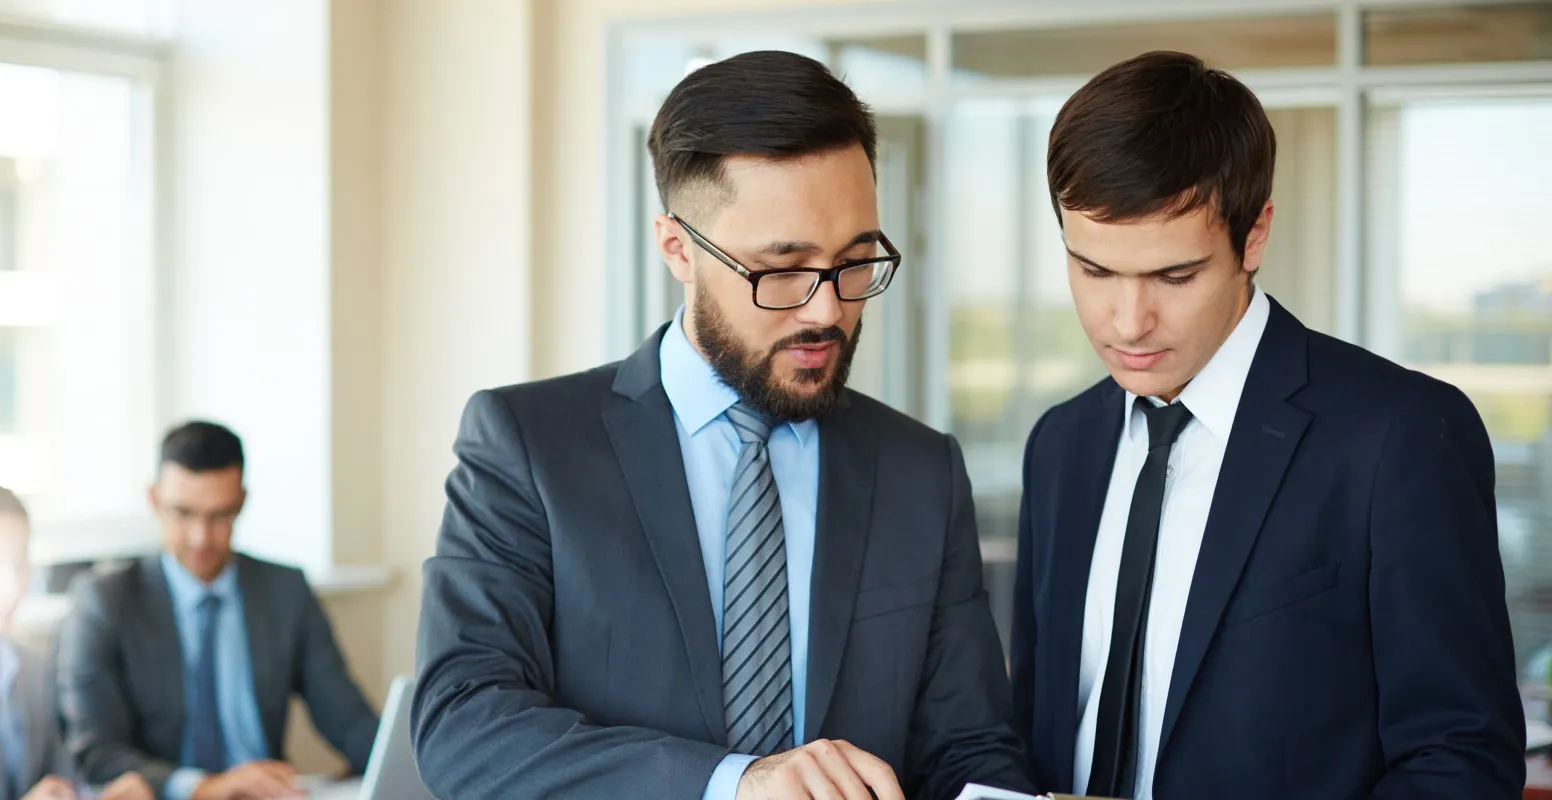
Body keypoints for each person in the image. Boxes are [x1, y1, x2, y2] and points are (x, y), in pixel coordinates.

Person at [412, 50, 1034, 800]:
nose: (827, 311)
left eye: (855, 261)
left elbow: (971, 748)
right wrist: (734, 784)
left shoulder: (921, 471)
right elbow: (464, 728)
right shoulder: (528, 445)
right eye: (784, 269)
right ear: (678, 248)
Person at [1008, 50, 1525, 799]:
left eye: (1174, 276)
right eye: (1094, 271)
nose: (1128, 321)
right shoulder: (1060, 444)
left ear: (1254, 238)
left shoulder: (1401, 437)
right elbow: (1034, 730)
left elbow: (1460, 759)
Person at [56, 421, 381, 800]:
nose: (201, 538)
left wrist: (406, 770)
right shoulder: (104, 602)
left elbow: (350, 722)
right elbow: (97, 754)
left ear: (242, 501)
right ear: (153, 499)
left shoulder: (285, 591)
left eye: (220, 516)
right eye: (183, 513)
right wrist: (205, 788)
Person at [0, 480, 154, 800]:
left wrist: (102, 796)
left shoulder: (32, 667)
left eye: (19, 562)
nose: (10, 584)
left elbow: (59, 781)